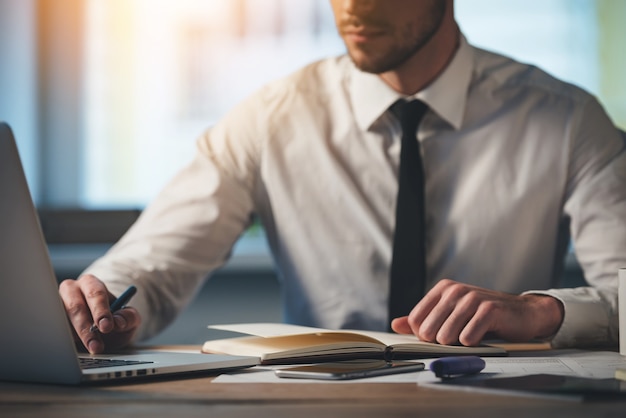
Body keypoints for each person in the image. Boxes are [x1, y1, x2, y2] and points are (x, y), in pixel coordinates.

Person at [59, 0, 626, 355]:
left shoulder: (568, 119)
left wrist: (541, 310)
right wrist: (100, 303)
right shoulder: (269, 119)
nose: (352, 7)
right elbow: (153, 266)